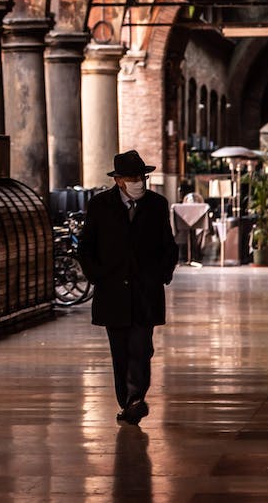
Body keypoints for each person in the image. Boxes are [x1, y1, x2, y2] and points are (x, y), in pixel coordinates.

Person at [78, 150, 178, 426]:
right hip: (113, 292)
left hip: (146, 290)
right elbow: (86, 247)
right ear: (119, 180)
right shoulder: (100, 205)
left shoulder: (157, 204)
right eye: (133, 177)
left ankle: (136, 398)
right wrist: (97, 275)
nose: (139, 181)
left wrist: (162, 274)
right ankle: (127, 401)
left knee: (142, 348)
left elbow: (168, 245)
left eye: (141, 176)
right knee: (120, 351)